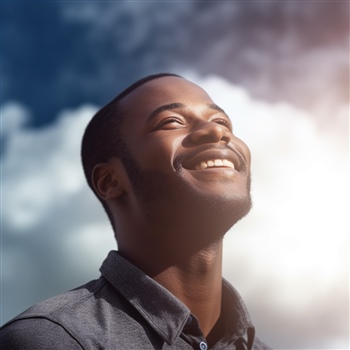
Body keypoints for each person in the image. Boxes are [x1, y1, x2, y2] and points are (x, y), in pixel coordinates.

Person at [0, 73, 272, 349]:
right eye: (171, 122)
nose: (217, 132)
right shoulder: (55, 339)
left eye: (222, 121)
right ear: (111, 181)